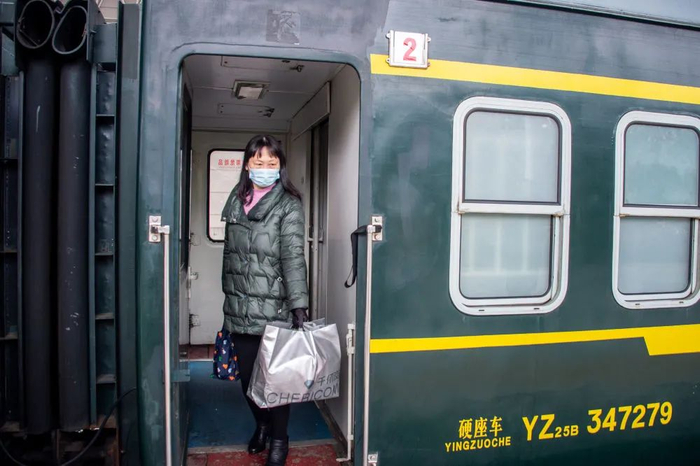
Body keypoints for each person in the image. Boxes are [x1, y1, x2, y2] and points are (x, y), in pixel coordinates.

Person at [220, 135, 308, 466]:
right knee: (247, 382)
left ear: (280, 167)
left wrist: (298, 304)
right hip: (239, 307)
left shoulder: (288, 205)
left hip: (274, 307)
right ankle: (262, 425)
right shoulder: (235, 199)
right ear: (247, 165)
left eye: (272, 163)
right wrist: (227, 295)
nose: (265, 168)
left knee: (277, 382)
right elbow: (229, 254)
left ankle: (279, 440)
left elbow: (293, 257)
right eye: (259, 162)